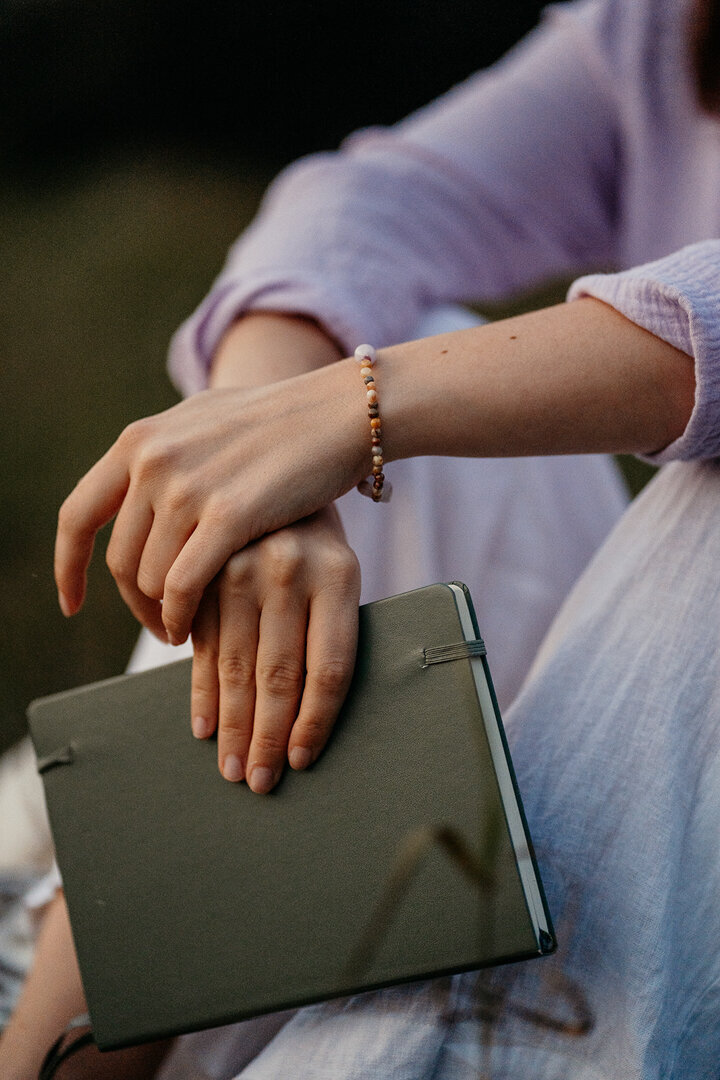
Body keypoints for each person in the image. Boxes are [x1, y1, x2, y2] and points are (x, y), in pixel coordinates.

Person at [2, 0, 720, 1073]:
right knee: (378, 355)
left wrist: (350, 414)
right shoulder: (660, 34)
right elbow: (357, 206)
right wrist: (266, 449)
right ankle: (71, 1036)